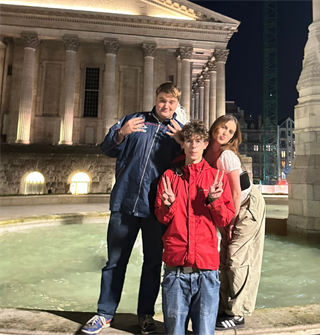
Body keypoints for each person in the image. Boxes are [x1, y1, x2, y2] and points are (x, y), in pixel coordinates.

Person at [82, 82, 184, 335]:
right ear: (156, 98)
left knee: (152, 264)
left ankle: (146, 316)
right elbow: (106, 149)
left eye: (171, 102)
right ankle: (105, 313)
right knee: (114, 262)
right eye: (162, 100)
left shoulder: (177, 131)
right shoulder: (134, 120)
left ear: (177, 105)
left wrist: (181, 143)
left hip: (156, 210)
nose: (166, 105)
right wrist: (122, 133)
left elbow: (186, 166)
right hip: (125, 203)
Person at [154, 120, 235, 335]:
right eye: (189, 140)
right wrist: (168, 204)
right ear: (182, 143)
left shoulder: (216, 178)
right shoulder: (169, 177)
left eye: (198, 141)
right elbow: (162, 217)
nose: (193, 145)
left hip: (207, 271)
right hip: (175, 271)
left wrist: (214, 200)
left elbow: (225, 219)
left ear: (206, 143)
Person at [203, 115, 266, 331]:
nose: (225, 133)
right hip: (231, 206)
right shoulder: (204, 152)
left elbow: (236, 192)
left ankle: (238, 313)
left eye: (230, 132)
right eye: (223, 128)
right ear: (215, 126)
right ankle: (224, 308)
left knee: (236, 256)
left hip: (247, 205)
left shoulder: (226, 156)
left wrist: (229, 222)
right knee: (224, 256)